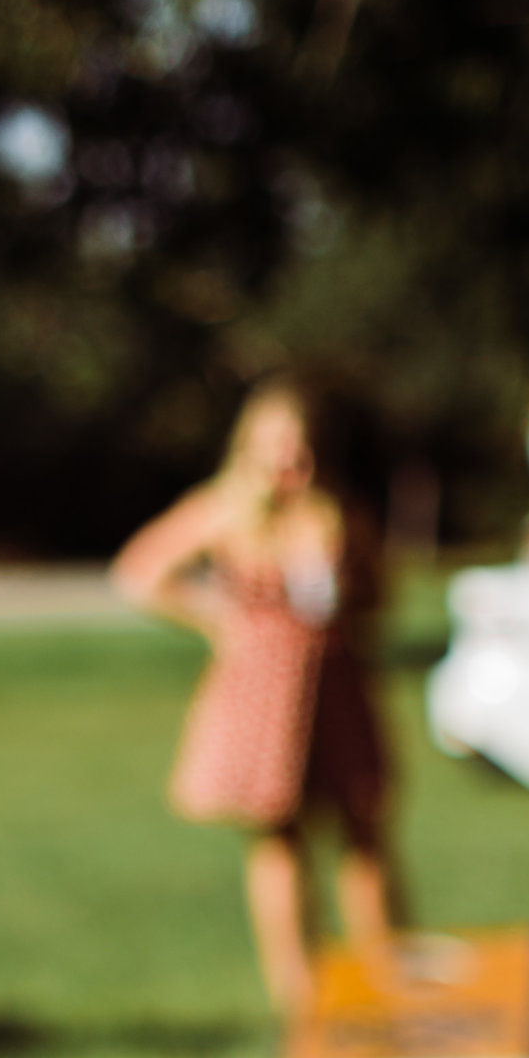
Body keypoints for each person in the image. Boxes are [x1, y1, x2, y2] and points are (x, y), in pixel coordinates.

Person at [109, 379, 405, 1022]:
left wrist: (351, 599)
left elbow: (381, 597)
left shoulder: (337, 511)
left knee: (364, 828)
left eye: (299, 445)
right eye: (276, 444)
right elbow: (139, 572)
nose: (289, 459)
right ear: (250, 446)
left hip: (336, 680)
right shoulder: (224, 509)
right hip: (264, 690)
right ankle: (303, 997)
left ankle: (389, 984)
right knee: (280, 836)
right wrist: (218, 617)